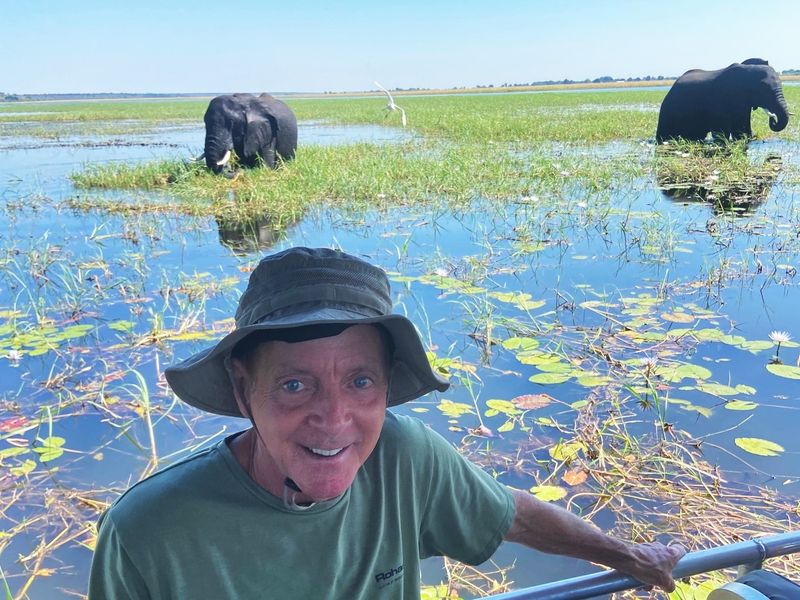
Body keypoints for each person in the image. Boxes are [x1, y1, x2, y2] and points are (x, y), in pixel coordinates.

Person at [89, 246, 685, 599]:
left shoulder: (403, 456)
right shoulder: (149, 531)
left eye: (360, 381)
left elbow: (511, 515)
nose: (334, 419)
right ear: (245, 390)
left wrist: (629, 556)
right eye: (295, 384)